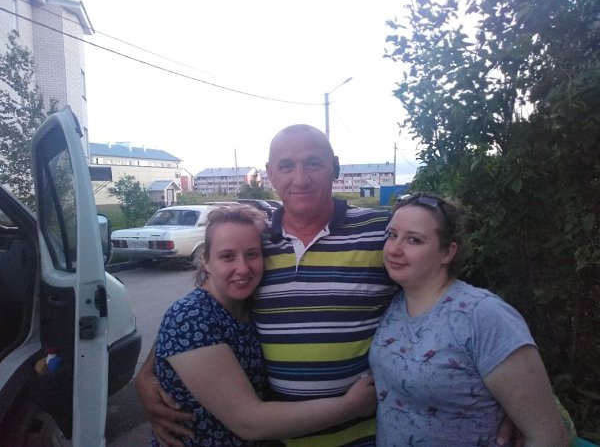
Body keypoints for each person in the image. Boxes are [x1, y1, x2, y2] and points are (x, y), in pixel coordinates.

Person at [136, 125, 521, 446]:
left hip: (365, 436)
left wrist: (508, 401)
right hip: (281, 439)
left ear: (334, 167)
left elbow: (448, 305)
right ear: (270, 174)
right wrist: (149, 373)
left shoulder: (381, 233)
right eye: (286, 166)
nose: (300, 178)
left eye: (313, 163)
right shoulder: (255, 241)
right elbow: (203, 310)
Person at [151, 205, 377, 446]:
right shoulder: (191, 318)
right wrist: (351, 406)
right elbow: (249, 422)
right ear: (206, 261)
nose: (243, 268)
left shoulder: (248, 306)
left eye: (252, 254)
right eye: (227, 256)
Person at [369, 192, 569, 445]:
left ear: (447, 252)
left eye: (414, 240)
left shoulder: (484, 315)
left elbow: (549, 436)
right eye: (392, 235)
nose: (395, 249)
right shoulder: (393, 306)